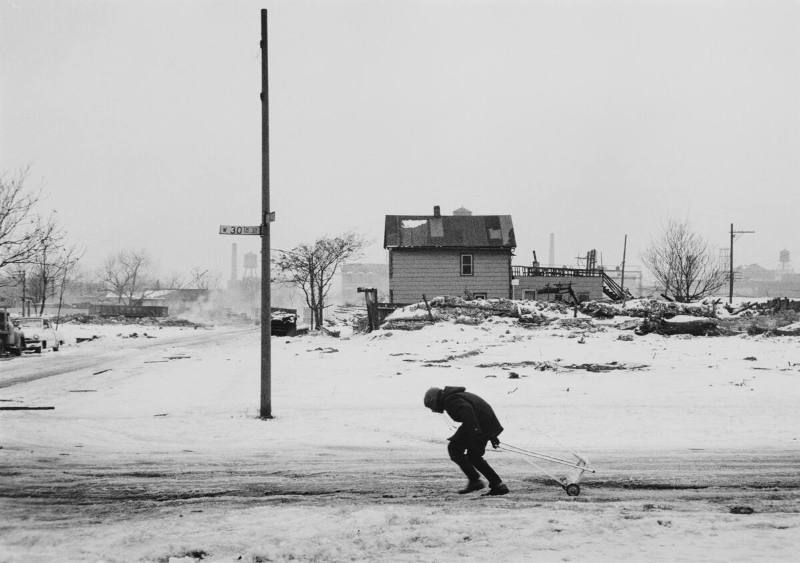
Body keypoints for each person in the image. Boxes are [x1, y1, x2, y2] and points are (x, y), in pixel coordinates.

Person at [424, 386, 509, 495]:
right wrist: (491, 434)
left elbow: (467, 411)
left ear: (434, 400)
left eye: (431, 406)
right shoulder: (453, 397)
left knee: (455, 449)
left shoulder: (451, 400)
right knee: (473, 456)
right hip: (482, 424)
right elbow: (480, 411)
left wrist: (475, 432)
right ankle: (496, 485)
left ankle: (476, 481)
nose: (432, 410)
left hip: (478, 425)